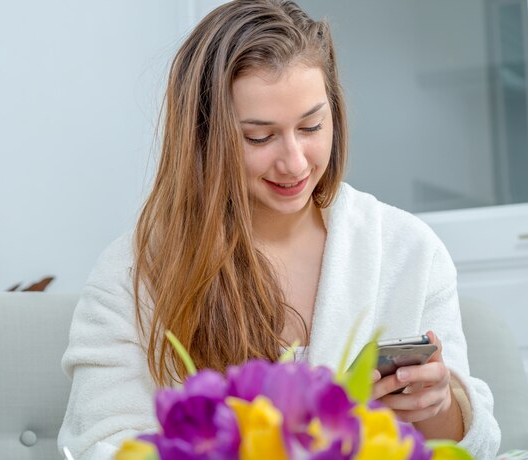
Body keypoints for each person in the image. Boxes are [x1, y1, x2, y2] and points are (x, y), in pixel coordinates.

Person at [58, 1, 501, 458]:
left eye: (311, 126)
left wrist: (439, 405)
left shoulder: (408, 251)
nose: (294, 162)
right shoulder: (132, 274)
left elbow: (474, 445)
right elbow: (100, 445)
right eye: (259, 137)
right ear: (205, 136)